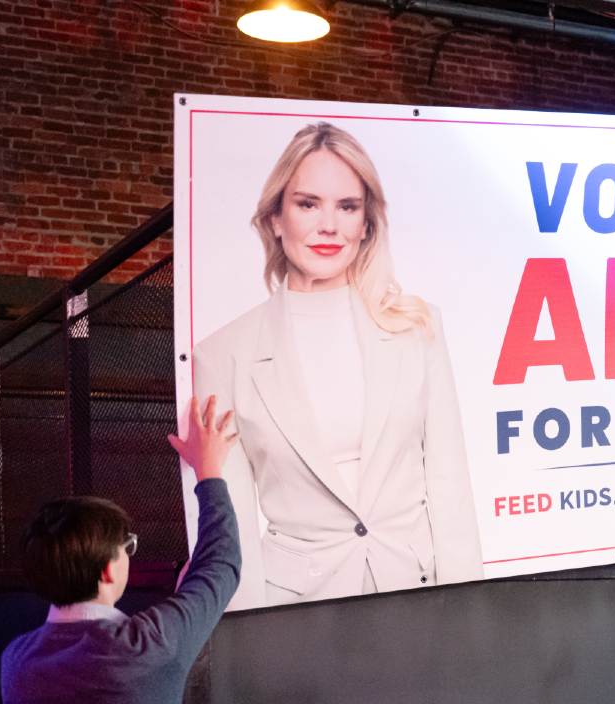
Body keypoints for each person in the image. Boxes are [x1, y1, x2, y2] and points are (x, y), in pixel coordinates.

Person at [193, 120, 482, 610]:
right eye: (308, 204)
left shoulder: (416, 328)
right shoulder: (222, 354)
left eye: (347, 206)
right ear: (275, 219)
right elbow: (232, 523)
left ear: (366, 223)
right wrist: (249, 643)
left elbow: (450, 485)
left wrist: (467, 611)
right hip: (295, 612)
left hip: (413, 594)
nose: (329, 225)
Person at [1, 396, 241, 704]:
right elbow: (222, 566)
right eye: (125, 547)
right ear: (110, 570)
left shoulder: (16, 662)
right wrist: (210, 471)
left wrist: (178, 611)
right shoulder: (148, 647)